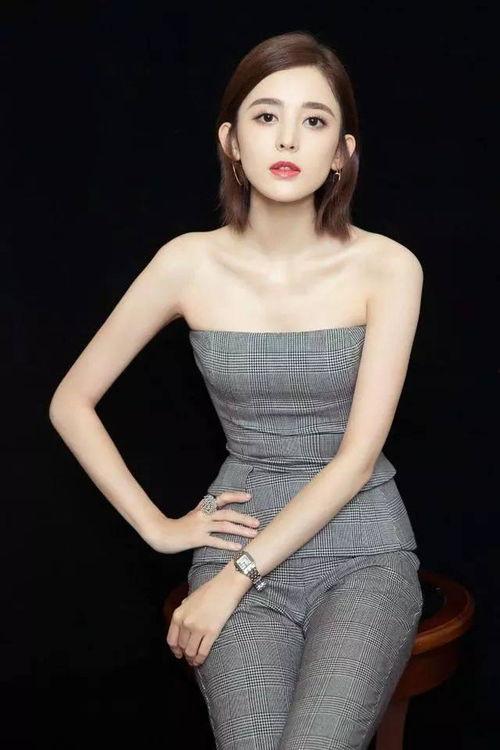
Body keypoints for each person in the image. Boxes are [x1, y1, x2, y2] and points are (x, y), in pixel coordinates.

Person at [49, 30, 424, 750]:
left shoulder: (388, 267)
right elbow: (71, 402)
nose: (287, 138)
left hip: (363, 549)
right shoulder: (187, 263)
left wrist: (233, 580)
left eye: (314, 120)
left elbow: (355, 461)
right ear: (231, 141)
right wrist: (161, 528)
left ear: (342, 152)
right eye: (265, 115)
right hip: (239, 531)